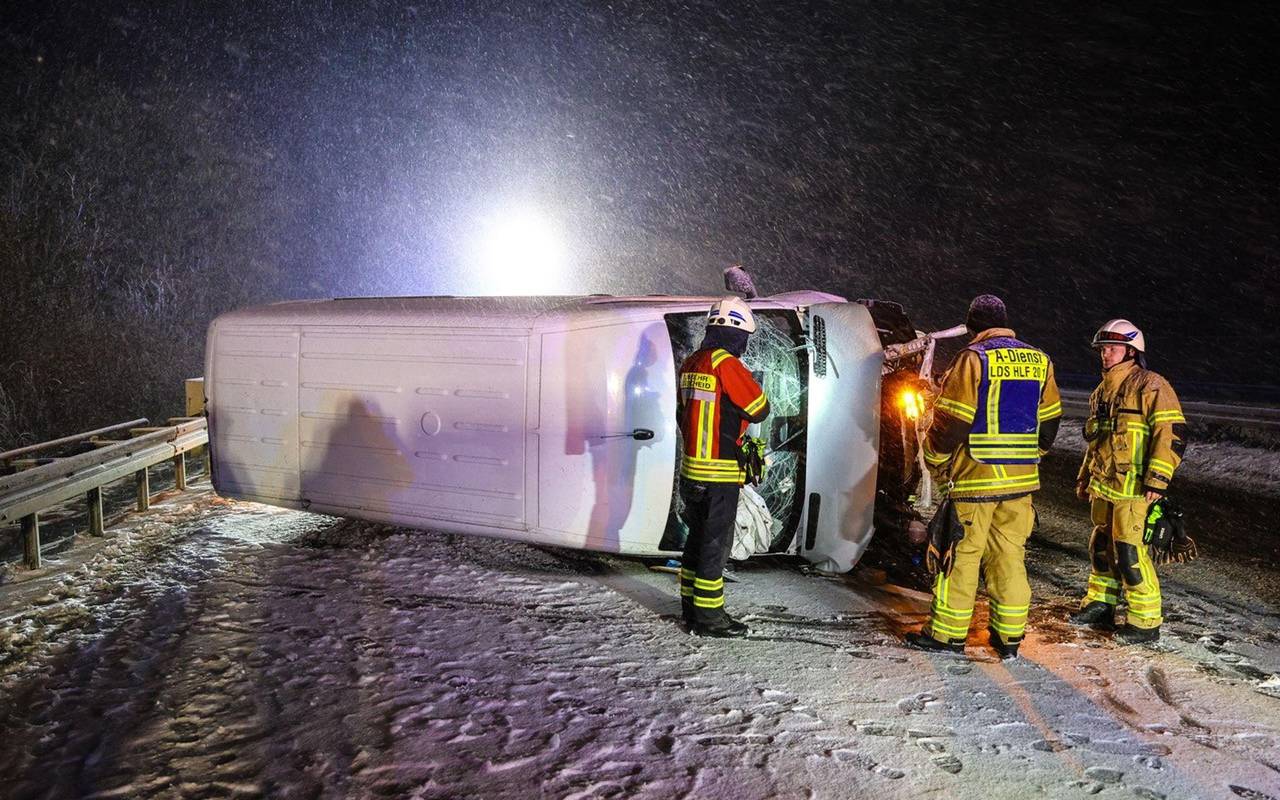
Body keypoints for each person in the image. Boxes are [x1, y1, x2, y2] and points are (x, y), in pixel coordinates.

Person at [906, 295, 1062, 659]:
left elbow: (954, 420)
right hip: (1020, 484)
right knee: (1009, 557)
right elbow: (1051, 419)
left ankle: (947, 635)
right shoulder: (1040, 360)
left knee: (959, 557)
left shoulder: (973, 358)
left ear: (972, 327)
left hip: (976, 480)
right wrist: (1031, 456)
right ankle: (1008, 638)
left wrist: (933, 457)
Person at [1068, 320, 1186, 644]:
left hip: (1135, 489)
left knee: (1129, 554)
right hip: (1105, 486)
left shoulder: (1151, 386)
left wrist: (1158, 480)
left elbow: (1171, 435)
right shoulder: (1101, 392)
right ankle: (1101, 605)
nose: (1105, 354)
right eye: (1103, 349)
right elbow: (1097, 443)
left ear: (1131, 351)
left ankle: (1145, 621)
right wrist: (1083, 477)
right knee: (1101, 548)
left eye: (1113, 348)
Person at [676, 296, 770, 637]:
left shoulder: (691, 362)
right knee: (715, 546)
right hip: (720, 473)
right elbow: (759, 408)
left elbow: (681, 414)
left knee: (696, 541)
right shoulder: (726, 364)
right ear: (737, 334)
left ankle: (690, 609)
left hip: (691, 472)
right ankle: (710, 618)